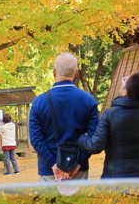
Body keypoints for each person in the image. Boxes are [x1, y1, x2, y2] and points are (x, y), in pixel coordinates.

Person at [77, 70, 139, 178]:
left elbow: (95, 146)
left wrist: (80, 137)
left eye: (123, 83)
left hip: (115, 178)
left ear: (125, 92)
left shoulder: (110, 114)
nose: (120, 85)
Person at [28, 53, 99, 181]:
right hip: (78, 169)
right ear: (76, 72)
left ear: (54, 71)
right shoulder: (88, 101)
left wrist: (54, 165)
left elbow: (36, 139)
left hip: (49, 171)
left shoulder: (39, 102)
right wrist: (78, 164)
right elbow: (93, 138)